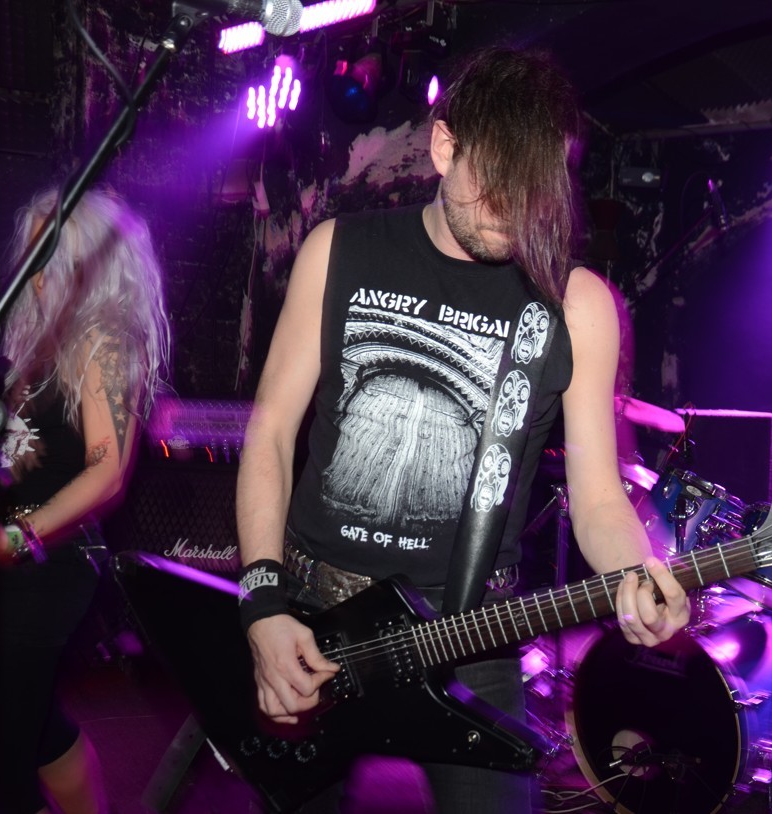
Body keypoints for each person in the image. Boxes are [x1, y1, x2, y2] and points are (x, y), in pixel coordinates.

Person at [234, 47, 690, 813]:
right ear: (445, 146)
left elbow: (597, 498)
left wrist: (637, 575)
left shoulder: (576, 304)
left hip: (472, 633)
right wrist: (263, 604)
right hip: (314, 616)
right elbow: (271, 434)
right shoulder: (338, 249)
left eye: (537, 192)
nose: (517, 215)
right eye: (500, 186)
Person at [0, 186, 172, 814]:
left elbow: (107, 472)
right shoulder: (36, 336)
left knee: (5, 743)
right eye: (32, 253)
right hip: (12, 552)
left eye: (52, 255)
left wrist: (18, 537)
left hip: (49, 564)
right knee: (34, 724)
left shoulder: (104, 339)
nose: (36, 272)